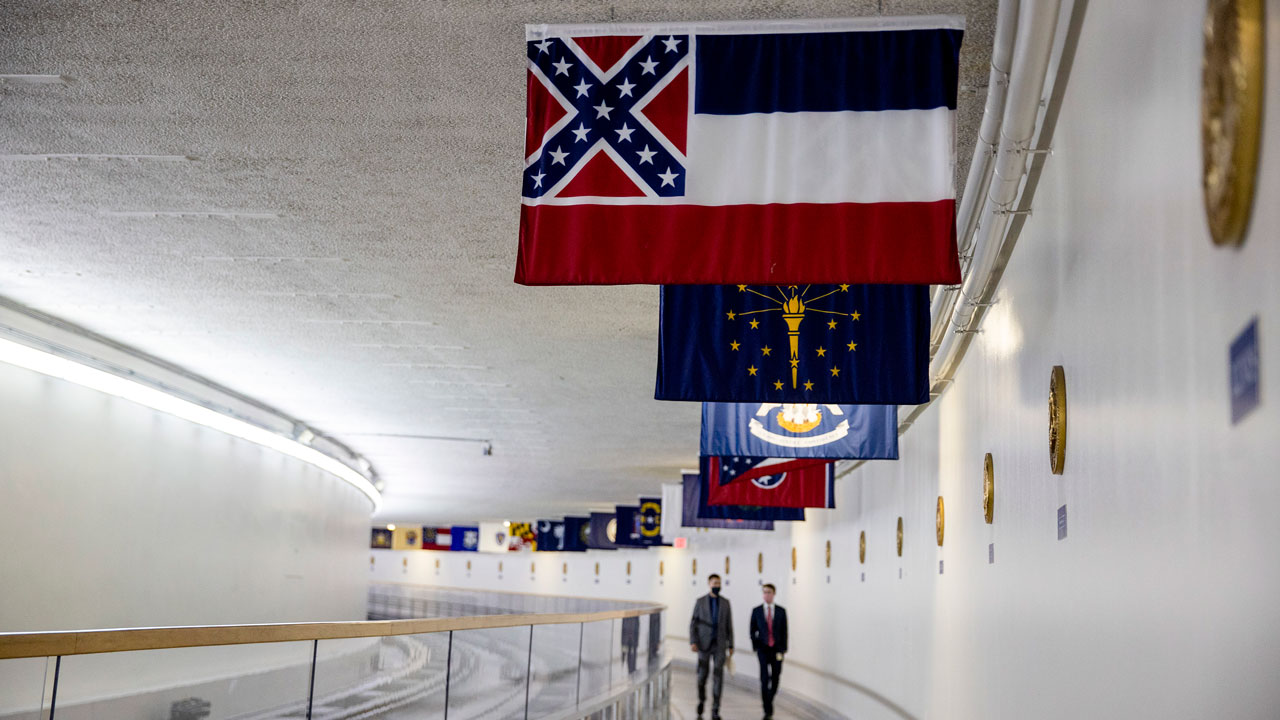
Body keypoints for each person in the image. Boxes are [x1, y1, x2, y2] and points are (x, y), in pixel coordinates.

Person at [689, 573, 733, 719]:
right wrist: (693, 641)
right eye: (714, 583)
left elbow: (729, 625)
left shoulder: (725, 603)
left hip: (719, 644)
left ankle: (716, 708)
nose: (717, 586)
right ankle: (701, 700)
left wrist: (731, 644)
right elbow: (693, 623)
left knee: (718, 676)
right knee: (702, 676)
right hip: (703, 644)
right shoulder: (700, 602)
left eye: (719, 583)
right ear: (709, 584)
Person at [749, 583, 788, 720]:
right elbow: (752, 630)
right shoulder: (757, 611)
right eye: (764, 592)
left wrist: (783, 649)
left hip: (776, 650)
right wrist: (756, 645)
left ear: (774, 594)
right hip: (763, 649)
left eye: (769, 592)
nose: (767, 594)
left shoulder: (781, 612)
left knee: (776, 678)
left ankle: (769, 699)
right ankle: (767, 707)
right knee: (764, 678)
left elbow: (784, 632)